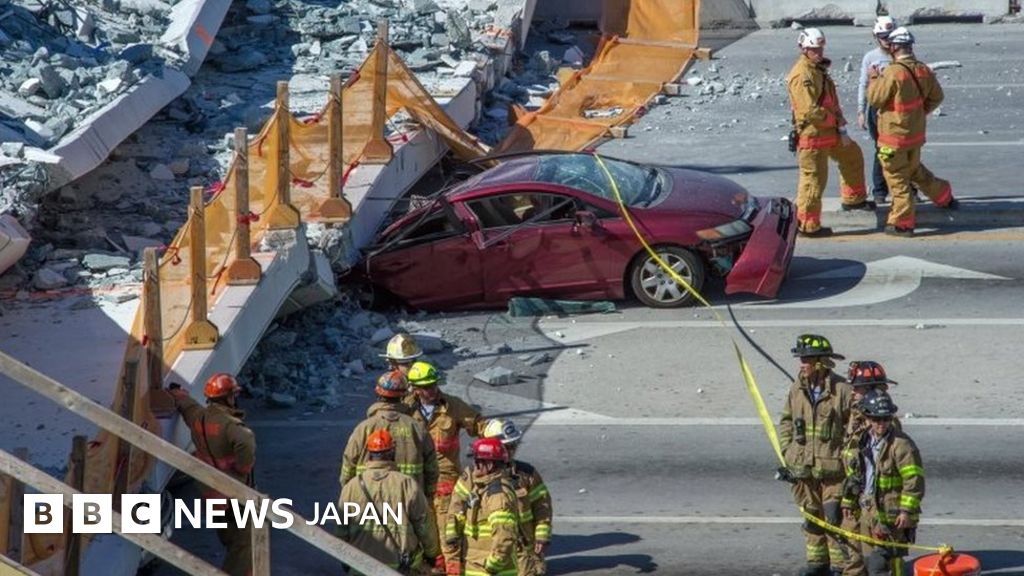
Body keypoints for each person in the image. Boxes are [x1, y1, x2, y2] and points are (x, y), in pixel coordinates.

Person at [867, 26, 957, 237]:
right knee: (914, 169)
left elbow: (875, 99)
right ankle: (943, 195)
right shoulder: (923, 69)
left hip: (893, 137)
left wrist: (873, 78)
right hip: (914, 136)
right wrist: (919, 113)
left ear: (895, 47)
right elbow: (937, 97)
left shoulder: (892, 72)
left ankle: (902, 223)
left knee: (897, 178)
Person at [779, 335, 855, 576]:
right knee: (811, 519)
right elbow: (786, 421)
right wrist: (788, 451)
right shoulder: (797, 388)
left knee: (834, 520)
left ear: (822, 362)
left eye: (807, 359)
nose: (802, 363)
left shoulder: (842, 391)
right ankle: (817, 564)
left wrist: (847, 461)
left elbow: (854, 430)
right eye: (801, 358)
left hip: (834, 472)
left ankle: (841, 566)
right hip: (803, 469)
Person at [787, 28, 873, 238]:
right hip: (813, 135)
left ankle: (854, 199)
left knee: (852, 156)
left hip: (829, 132)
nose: (819, 52)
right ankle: (807, 225)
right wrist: (835, 120)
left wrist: (838, 122)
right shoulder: (802, 74)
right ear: (804, 49)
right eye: (814, 49)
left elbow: (829, 100)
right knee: (813, 181)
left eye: (820, 48)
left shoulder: (817, 69)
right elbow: (809, 110)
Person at [404, 360, 488, 573]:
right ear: (414, 388)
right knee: (416, 532)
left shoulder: (452, 406)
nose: (432, 390)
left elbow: (479, 425)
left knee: (446, 533)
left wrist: (496, 437)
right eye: (426, 387)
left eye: (434, 384)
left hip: (445, 481)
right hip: (414, 482)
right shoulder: (405, 408)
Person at [168, 373, 255, 576]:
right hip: (235, 496)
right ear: (229, 397)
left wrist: (175, 392)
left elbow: (187, 405)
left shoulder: (200, 418)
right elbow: (245, 458)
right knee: (244, 546)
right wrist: (242, 467)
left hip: (211, 494)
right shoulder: (236, 429)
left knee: (230, 539)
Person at [840, 390, 924, 576]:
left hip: (892, 515)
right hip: (868, 510)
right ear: (868, 418)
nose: (882, 423)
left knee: (886, 562)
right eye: (877, 419)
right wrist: (848, 499)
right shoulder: (863, 440)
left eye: (886, 419)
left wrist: (906, 511)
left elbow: (914, 480)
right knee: (871, 561)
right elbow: (856, 474)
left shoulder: (902, 445)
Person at [339, 429, 442, 575]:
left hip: (361, 567)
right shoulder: (407, 485)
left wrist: (345, 559)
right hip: (400, 568)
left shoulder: (351, 487)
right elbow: (424, 525)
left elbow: (342, 530)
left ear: (369, 454)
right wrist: (432, 554)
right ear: (392, 453)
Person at [839, 361, 901, 575]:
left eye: (858, 387)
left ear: (873, 389)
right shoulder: (857, 414)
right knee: (853, 547)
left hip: (878, 503)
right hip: (858, 495)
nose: (853, 391)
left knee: (881, 558)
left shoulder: (883, 423)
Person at [341, 371, 439, 501]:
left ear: (378, 395)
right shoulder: (417, 428)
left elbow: (348, 466)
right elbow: (432, 468)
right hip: (409, 499)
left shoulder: (363, 428)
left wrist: (351, 490)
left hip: (369, 497)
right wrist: (427, 496)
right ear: (404, 395)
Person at [483, 419, 552, 576]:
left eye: (514, 445)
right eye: (507, 446)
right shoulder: (476, 476)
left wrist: (541, 537)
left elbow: (543, 506)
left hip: (523, 554)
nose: (512, 450)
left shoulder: (526, 474)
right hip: (491, 552)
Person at [444, 438, 520, 576]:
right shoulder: (482, 488)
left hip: (489, 571)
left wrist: (492, 565)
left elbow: (504, 536)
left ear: (490, 465)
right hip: (476, 565)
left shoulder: (498, 495)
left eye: (478, 462)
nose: (474, 466)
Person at [857, 16, 896, 205]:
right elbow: (863, 85)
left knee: (904, 149)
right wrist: (861, 111)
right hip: (876, 110)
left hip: (897, 109)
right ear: (876, 37)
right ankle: (880, 190)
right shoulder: (870, 58)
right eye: (883, 37)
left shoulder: (901, 55)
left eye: (890, 36)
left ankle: (909, 188)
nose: (887, 41)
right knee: (881, 149)